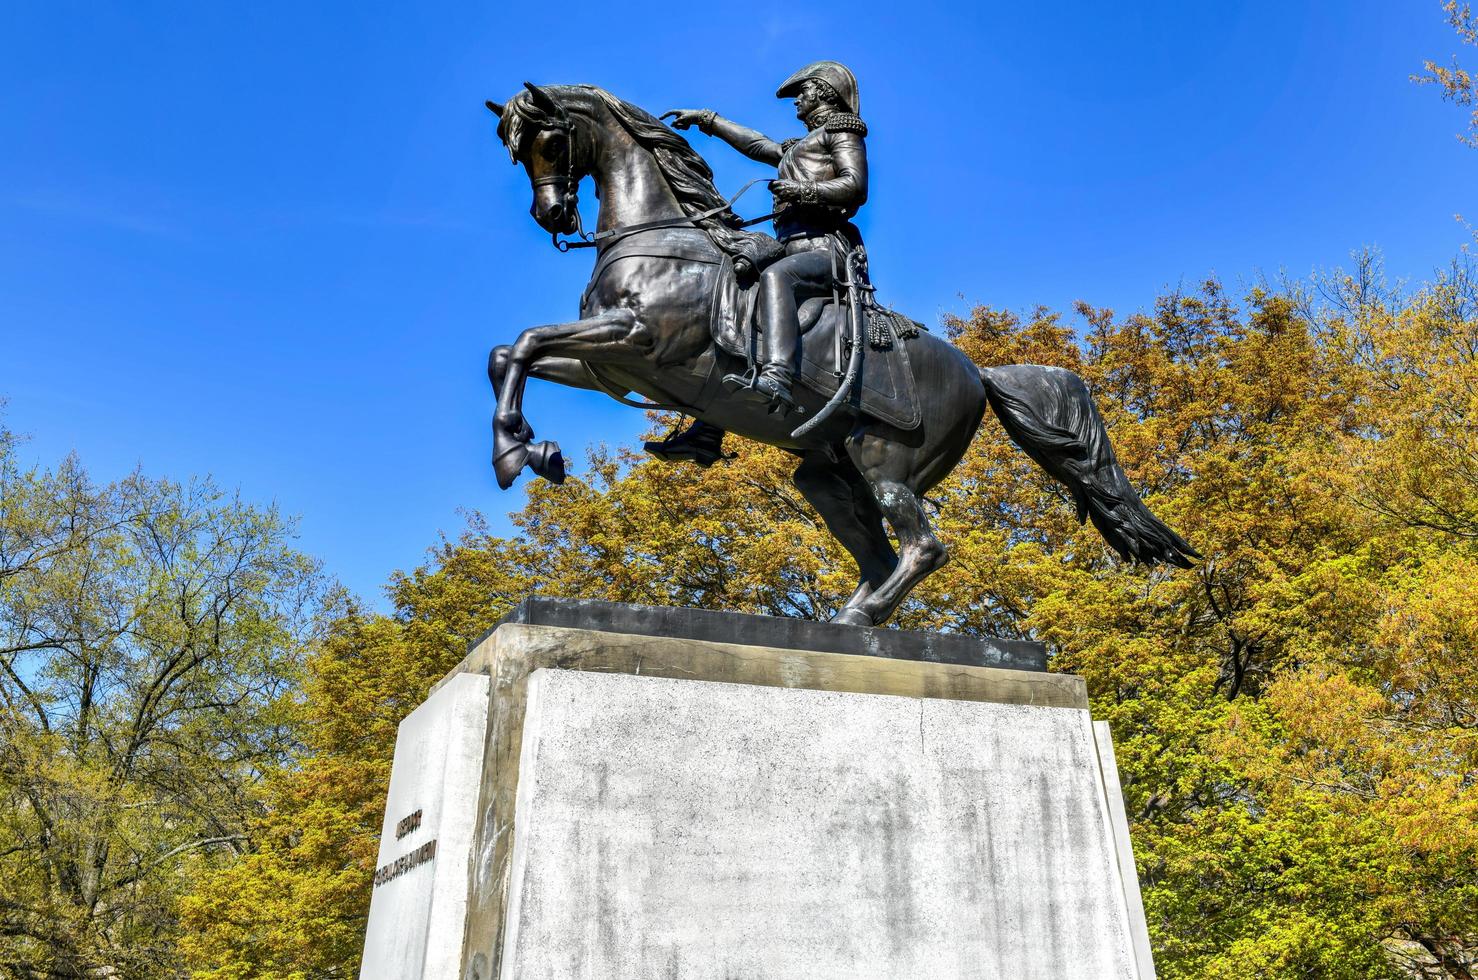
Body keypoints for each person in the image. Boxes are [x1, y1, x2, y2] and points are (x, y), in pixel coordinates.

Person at [645, 61, 870, 466]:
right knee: (727, 292)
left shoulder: (842, 132)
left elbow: (855, 185)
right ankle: (708, 429)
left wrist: (804, 190)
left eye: (803, 91)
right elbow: (757, 144)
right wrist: (709, 120)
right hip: (790, 246)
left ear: (823, 91)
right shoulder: (797, 148)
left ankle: (778, 377)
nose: (797, 99)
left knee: (775, 278)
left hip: (823, 250)